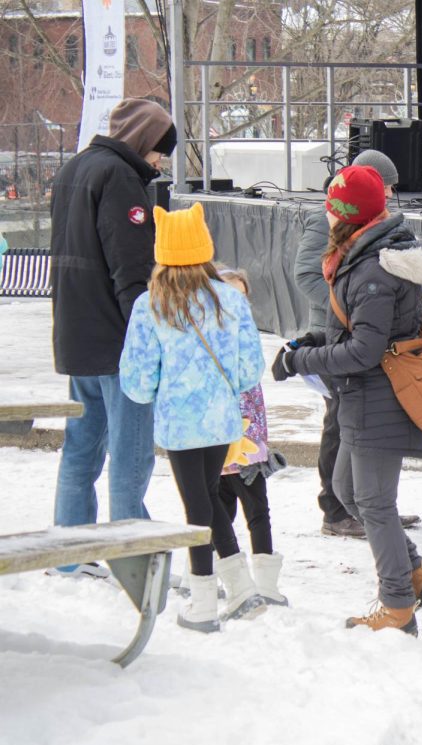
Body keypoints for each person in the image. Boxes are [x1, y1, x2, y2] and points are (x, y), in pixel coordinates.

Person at [274, 165, 422, 633]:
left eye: (332, 207)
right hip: (360, 398)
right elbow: (354, 328)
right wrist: (311, 342)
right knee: (348, 492)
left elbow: (365, 350)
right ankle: (416, 576)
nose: (326, 216)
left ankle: (397, 605)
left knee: (371, 500)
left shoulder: (373, 268)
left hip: (379, 397)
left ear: (345, 214)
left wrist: (299, 363)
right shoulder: (363, 255)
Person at [119, 203, 267, 632]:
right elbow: (248, 371)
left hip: (180, 425)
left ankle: (204, 599)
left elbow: (138, 382)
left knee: (197, 505)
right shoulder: (230, 299)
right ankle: (239, 586)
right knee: (206, 497)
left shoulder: (151, 305)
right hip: (223, 421)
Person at [50, 98, 176, 575]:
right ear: (142, 142)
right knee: (130, 452)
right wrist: (149, 337)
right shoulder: (120, 178)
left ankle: (68, 554)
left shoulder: (73, 169)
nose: (160, 161)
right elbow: (132, 268)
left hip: (75, 333)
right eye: (159, 151)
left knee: (81, 447)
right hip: (117, 341)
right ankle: (133, 557)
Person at [291, 149, 420, 538]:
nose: (394, 191)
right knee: (338, 426)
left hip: (361, 335)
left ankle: (373, 505)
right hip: (338, 340)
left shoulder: (376, 225)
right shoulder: (326, 219)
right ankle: (334, 510)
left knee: (367, 430)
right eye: (388, 185)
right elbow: (305, 274)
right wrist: (344, 308)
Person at [215, 268, 288, 607]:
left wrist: (260, 443)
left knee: (257, 510)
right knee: (220, 512)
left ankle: (266, 585)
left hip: (249, 444)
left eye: (243, 296)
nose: (238, 302)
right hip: (219, 441)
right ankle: (211, 575)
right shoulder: (205, 337)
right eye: (231, 293)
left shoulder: (246, 335)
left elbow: (254, 396)